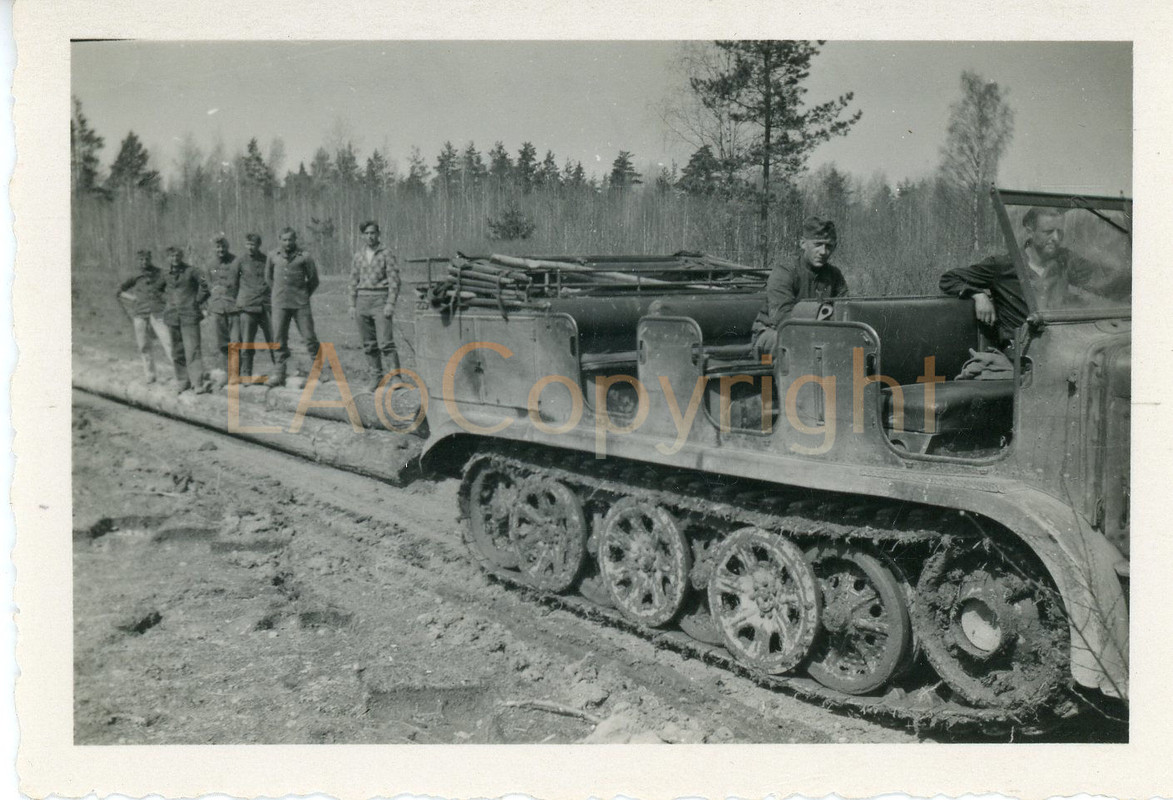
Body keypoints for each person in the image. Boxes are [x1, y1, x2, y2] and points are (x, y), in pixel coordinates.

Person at [939, 207, 1126, 350]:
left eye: (1059, 232)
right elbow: (949, 279)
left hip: (1062, 346)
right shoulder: (1004, 265)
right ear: (1030, 231)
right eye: (1048, 232)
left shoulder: (1065, 260)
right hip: (1024, 354)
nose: (1056, 238)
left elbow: (1108, 282)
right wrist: (977, 294)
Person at [751, 216, 849, 355]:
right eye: (818, 244)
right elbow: (782, 317)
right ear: (803, 243)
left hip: (818, 336)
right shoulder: (785, 271)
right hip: (771, 333)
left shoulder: (834, 275)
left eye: (829, 246)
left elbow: (846, 308)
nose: (823, 251)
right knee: (795, 345)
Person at [348, 220, 402, 391]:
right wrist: (352, 304)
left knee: (386, 342)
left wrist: (390, 303)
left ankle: (395, 378)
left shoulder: (386, 253)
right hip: (362, 301)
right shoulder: (358, 255)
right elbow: (352, 280)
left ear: (378, 234)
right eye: (367, 233)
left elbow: (394, 280)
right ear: (362, 236)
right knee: (369, 344)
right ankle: (376, 377)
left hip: (380, 300)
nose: (370, 237)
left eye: (373, 233)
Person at [265, 227, 321, 388]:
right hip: (280, 303)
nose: (288, 243)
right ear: (279, 239)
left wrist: (302, 294)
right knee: (278, 338)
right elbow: (268, 278)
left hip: (300, 304)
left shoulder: (304, 256)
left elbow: (313, 280)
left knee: (309, 337)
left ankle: (318, 372)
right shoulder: (272, 256)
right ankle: (279, 372)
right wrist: (279, 293)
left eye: (291, 239)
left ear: (295, 239)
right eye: (284, 239)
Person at [117, 249, 172, 383]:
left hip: (157, 313)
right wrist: (133, 299)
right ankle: (150, 375)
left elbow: (169, 288)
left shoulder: (159, 273)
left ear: (150, 259)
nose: (144, 262)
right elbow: (119, 291)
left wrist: (165, 301)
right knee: (143, 345)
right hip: (140, 314)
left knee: (168, 342)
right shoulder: (134, 275)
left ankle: (181, 374)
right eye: (141, 260)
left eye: (146, 259)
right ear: (138, 261)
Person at [162, 245, 211, 394]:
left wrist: (197, 300)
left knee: (193, 349)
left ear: (181, 257)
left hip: (190, 315)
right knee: (177, 351)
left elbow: (206, 284)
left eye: (177, 256)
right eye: (172, 256)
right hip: (172, 316)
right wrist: (166, 301)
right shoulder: (165, 274)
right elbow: (156, 290)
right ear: (168, 258)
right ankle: (183, 380)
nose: (175, 259)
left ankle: (197, 382)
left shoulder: (192, 271)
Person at [234, 232, 274, 382]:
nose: (250, 248)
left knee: (273, 339)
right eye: (248, 244)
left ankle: (279, 371)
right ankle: (245, 373)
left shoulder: (266, 260)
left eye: (253, 245)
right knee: (246, 342)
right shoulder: (240, 261)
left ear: (259, 245)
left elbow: (272, 279)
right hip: (247, 306)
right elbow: (233, 284)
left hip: (265, 306)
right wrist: (241, 301)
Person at [205, 233, 242, 387]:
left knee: (235, 341)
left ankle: (236, 374)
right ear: (214, 249)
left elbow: (241, 283)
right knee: (222, 343)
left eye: (223, 247)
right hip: (217, 308)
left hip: (233, 307)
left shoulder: (236, 262)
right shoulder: (210, 265)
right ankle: (225, 373)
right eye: (218, 247)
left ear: (227, 247)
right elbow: (208, 285)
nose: (220, 250)